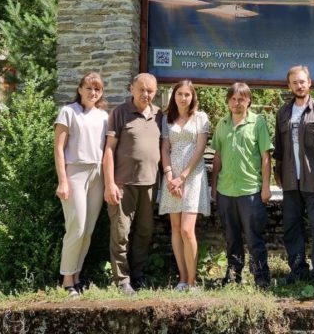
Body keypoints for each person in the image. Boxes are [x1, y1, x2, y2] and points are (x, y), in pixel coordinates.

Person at [273, 65, 314, 296]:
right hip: (291, 182)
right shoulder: (283, 113)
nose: (299, 86)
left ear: (309, 82)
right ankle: (298, 271)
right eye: (294, 82)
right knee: (292, 227)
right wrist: (277, 174)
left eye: (302, 81)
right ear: (289, 85)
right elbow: (279, 150)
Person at [103, 73, 162, 295]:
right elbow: (109, 150)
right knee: (120, 233)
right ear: (132, 89)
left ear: (156, 92)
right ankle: (122, 280)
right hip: (123, 183)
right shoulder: (120, 113)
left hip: (150, 183)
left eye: (150, 91)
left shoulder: (159, 115)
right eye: (142, 89)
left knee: (144, 232)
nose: (146, 94)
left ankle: (138, 275)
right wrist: (110, 183)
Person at [211, 82, 273, 288]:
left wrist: (266, 187)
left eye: (241, 99)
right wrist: (214, 186)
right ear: (228, 101)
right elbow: (217, 157)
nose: (237, 103)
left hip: (250, 190)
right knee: (231, 237)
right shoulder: (222, 124)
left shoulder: (258, 123)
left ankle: (261, 277)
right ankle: (233, 276)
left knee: (254, 238)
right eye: (233, 99)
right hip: (225, 190)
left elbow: (265, 156)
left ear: (249, 101)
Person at [54, 71, 109, 298]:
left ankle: (76, 276)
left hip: (98, 174)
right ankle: (67, 280)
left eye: (97, 89)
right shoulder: (68, 112)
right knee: (76, 227)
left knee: (87, 230)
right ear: (80, 89)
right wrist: (62, 181)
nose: (93, 92)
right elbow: (58, 148)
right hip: (75, 171)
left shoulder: (104, 116)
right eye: (89, 88)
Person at [159, 80, 211, 292]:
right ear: (174, 96)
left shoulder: (201, 118)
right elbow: (164, 149)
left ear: (193, 97)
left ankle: (192, 281)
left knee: (187, 230)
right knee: (175, 228)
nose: (183, 98)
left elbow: (200, 149)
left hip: (193, 175)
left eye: (187, 94)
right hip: (172, 177)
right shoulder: (167, 118)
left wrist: (182, 177)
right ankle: (182, 279)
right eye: (179, 93)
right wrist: (170, 176)